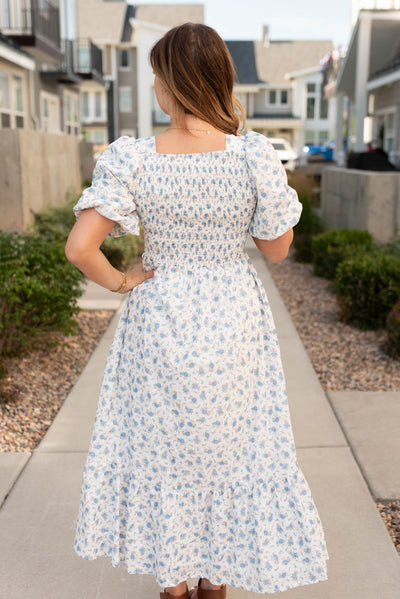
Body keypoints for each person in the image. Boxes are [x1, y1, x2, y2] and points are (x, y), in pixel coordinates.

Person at [65, 22, 329, 599]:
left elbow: (80, 249)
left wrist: (122, 281)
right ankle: (216, 581)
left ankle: (174, 584)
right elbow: (279, 250)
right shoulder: (252, 156)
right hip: (233, 317)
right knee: (232, 452)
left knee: (165, 452)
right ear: (218, 80)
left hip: (160, 317)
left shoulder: (132, 159)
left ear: (168, 85)